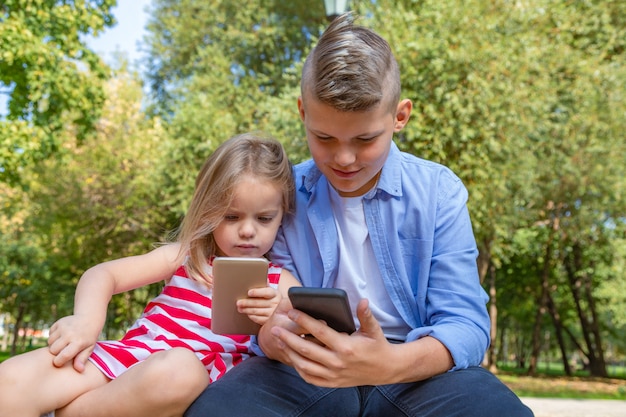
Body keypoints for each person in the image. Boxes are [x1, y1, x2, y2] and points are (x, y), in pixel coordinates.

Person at [184, 13, 533, 417]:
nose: (344, 158)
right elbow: (262, 316)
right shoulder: (278, 197)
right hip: (303, 368)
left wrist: (388, 365)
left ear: (399, 116)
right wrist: (276, 338)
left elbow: (466, 325)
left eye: (365, 139)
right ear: (302, 112)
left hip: (415, 371)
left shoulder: (439, 192)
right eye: (324, 138)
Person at [0, 133, 300, 417]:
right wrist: (86, 323)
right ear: (208, 209)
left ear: (282, 214)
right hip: (127, 359)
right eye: (231, 216)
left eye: (264, 218)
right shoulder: (185, 255)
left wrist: (277, 317)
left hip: (184, 381)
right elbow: (104, 274)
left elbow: (300, 333)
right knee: (10, 380)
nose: (248, 230)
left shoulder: (279, 282)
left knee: (180, 368)